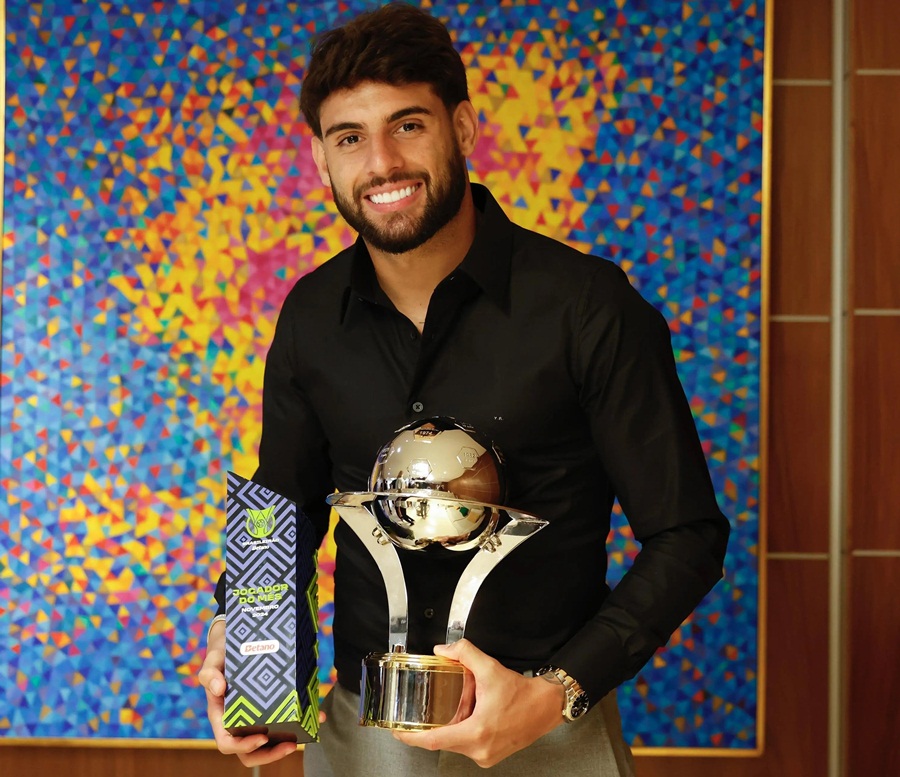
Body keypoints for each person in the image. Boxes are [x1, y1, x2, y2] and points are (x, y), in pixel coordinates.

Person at [197, 3, 731, 775]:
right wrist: (243, 651)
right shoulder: (310, 316)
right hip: (361, 739)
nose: (382, 161)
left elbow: (688, 535)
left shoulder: (589, 306)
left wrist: (555, 692)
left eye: (408, 125)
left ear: (465, 128)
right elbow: (283, 514)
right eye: (350, 137)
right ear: (320, 159)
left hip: (549, 732)